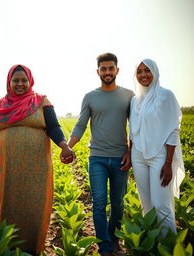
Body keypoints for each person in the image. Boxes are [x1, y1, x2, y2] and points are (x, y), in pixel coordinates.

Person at [0, 64, 75, 256]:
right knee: (8, 202)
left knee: (35, 202)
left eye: (24, 80)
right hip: (6, 167)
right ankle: (9, 244)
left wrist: (64, 146)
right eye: (15, 80)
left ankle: (33, 247)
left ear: (30, 81)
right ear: (9, 82)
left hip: (36, 166)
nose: (20, 84)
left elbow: (54, 126)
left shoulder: (41, 101)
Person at [67, 53, 134, 256]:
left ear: (117, 70)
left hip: (121, 157)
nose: (107, 72)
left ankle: (114, 240)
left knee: (118, 203)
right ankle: (104, 247)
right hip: (96, 158)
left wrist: (130, 152)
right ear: (98, 72)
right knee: (98, 203)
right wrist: (68, 146)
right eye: (103, 69)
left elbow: (136, 127)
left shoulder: (129, 96)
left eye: (110, 68)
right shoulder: (90, 97)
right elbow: (80, 125)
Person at [129, 59, 185, 235]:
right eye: (139, 71)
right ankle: (153, 244)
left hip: (160, 156)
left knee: (161, 205)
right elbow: (132, 131)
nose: (143, 75)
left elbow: (172, 130)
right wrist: (129, 153)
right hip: (138, 156)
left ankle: (169, 245)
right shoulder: (134, 100)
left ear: (155, 72)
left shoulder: (165, 95)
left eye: (147, 70)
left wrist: (168, 163)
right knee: (146, 204)